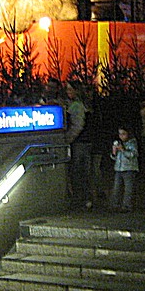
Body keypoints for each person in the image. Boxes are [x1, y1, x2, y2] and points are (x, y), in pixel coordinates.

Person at [64, 81, 93, 210]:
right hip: (85, 142)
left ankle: (80, 199)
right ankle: (86, 198)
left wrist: (67, 139)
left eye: (70, 89)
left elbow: (77, 126)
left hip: (78, 142)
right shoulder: (83, 104)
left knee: (77, 172)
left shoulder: (76, 106)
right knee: (83, 172)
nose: (68, 92)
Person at [109, 126, 139, 212]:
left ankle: (127, 206)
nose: (121, 136)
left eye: (123, 134)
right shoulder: (119, 143)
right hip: (118, 169)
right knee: (116, 188)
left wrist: (123, 150)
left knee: (128, 189)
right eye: (120, 134)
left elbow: (132, 155)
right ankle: (115, 205)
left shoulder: (132, 143)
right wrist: (114, 152)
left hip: (129, 169)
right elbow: (114, 158)